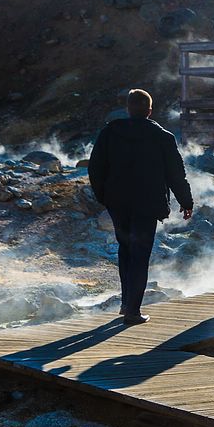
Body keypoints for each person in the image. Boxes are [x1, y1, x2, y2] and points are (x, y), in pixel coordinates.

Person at [88, 89, 194, 325]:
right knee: (140, 254)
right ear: (149, 110)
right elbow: (176, 174)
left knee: (125, 249)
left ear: (128, 109)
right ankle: (132, 312)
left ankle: (127, 303)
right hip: (148, 204)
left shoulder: (109, 133)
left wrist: (103, 196)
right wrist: (186, 202)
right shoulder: (163, 137)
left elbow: (95, 168)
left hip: (117, 203)